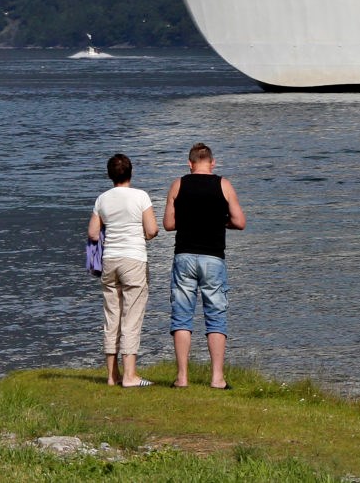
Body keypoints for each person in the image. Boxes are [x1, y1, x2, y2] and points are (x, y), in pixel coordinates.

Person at [163, 143, 246, 389]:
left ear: (189, 164)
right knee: (216, 317)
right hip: (213, 257)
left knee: (181, 317)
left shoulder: (178, 184)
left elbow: (168, 224)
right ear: (212, 163)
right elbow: (240, 222)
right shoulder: (224, 184)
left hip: (185, 255)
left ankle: (182, 378)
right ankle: (217, 378)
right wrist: (222, 224)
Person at [90, 154, 159, 387]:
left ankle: (112, 375)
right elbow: (151, 230)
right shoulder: (141, 196)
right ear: (131, 172)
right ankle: (130, 376)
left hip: (110, 260)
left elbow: (92, 233)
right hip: (134, 259)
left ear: (110, 175)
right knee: (131, 316)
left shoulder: (102, 199)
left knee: (112, 317)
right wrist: (142, 234)